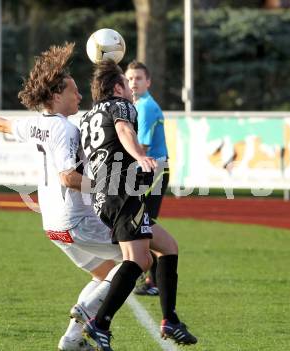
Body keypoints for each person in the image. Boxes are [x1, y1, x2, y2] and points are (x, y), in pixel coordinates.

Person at [0, 43, 123, 351]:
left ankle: (71, 342)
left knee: (105, 273)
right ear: (56, 96)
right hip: (76, 221)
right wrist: (106, 185)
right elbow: (68, 178)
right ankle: (86, 314)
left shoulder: (36, 123)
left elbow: (3, 124)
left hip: (53, 226)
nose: (80, 96)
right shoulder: (65, 131)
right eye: (74, 91)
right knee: (137, 257)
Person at [80, 60, 197, 351]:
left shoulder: (88, 115)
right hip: (120, 192)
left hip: (107, 194)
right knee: (137, 260)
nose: (132, 88)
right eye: (126, 82)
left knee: (168, 247)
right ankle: (100, 323)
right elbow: (124, 131)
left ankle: (170, 319)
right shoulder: (121, 106)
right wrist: (139, 156)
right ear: (117, 87)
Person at [125, 60, 169, 296]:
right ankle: (148, 275)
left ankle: (153, 280)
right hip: (146, 169)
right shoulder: (136, 105)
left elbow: (141, 146)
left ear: (148, 81)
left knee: (145, 222)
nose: (133, 83)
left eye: (138, 78)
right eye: (130, 78)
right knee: (141, 222)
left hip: (155, 170)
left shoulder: (146, 108)